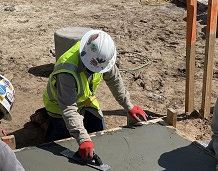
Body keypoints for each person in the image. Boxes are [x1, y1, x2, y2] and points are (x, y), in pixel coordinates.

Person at [42, 29, 148, 159]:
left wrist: (128, 106)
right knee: (64, 141)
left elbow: (114, 80)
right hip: (59, 105)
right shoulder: (67, 70)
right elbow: (69, 109)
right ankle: (45, 121)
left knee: (99, 131)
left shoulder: (101, 57)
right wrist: (83, 139)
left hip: (85, 100)